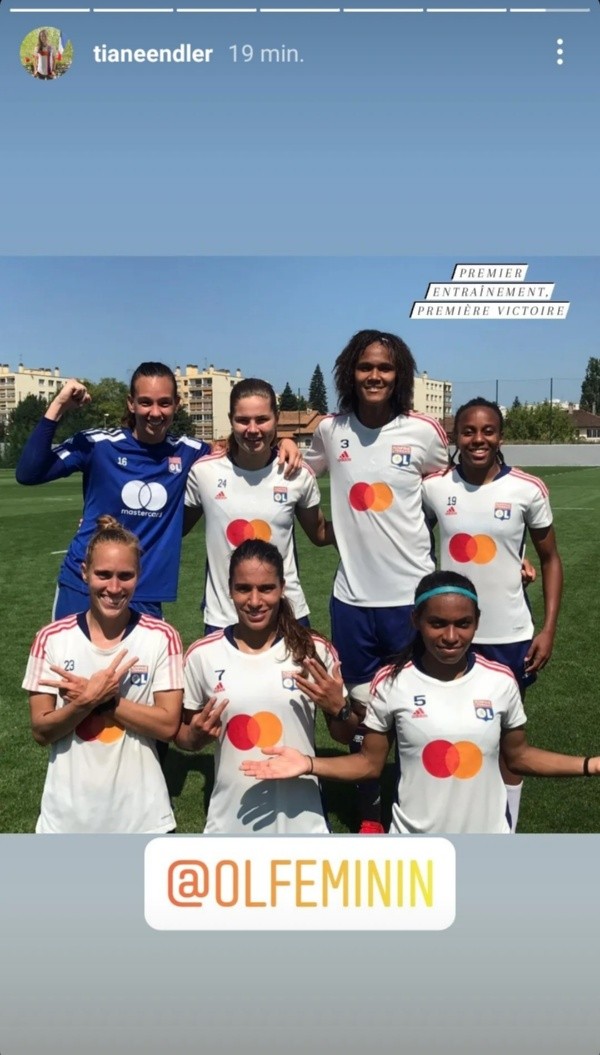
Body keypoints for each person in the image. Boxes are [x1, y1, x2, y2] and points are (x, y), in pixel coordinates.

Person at [241, 571, 599, 834]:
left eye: (463, 624)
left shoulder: (500, 680)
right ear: (416, 621)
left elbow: (519, 756)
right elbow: (369, 764)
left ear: (477, 623)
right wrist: (307, 763)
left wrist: (590, 765)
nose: (450, 636)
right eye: (437, 623)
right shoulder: (392, 682)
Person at [15, 363, 302, 620]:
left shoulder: (191, 452)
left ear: (177, 404)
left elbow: (242, 450)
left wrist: (284, 442)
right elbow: (29, 473)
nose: (155, 412)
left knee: (141, 680)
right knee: (72, 677)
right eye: (145, 402)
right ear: (131, 404)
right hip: (86, 584)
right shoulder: (98, 445)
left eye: (164, 403)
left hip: (146, 591)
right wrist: (58, 407)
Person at [304, 329, 448, 832]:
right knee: (359, 709)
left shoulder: (425, 432)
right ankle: (369, 806)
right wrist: (281, 441)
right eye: (366, 367)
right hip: (353, 600)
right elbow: (298, 475)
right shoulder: (329, 429)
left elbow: (458, 495)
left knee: (417, 705)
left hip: (412, 600)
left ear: (399, 375)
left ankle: (418, 798)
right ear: (350, 372)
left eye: (385, 368)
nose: (375, 376)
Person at [422, 396, 563, 831]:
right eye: (469, 431)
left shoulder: (527, 488)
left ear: (500, 436)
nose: (478, 439)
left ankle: (506, 827)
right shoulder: (434, 486)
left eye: (487, 431)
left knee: (505, 741)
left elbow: (551, 559)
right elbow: (411, 542)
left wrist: (548, 628)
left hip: (509, 635)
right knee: (445, 732)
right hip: (446, 632)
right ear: (455, 436)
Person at [175, 538, 353, 834]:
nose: (255, 601)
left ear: (282, 588)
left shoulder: (313, 651)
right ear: (229, 589)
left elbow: (345, 735)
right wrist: (194, 737)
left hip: (304, 824)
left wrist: (340, 710)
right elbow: (184, 738)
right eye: (243, 588)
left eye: (266, 588)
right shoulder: (202, 655)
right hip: (230, 822)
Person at [22, 516, 184, 833]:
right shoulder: (51, 639)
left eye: (125, 576)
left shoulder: (161, 637)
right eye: (103, 575)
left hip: (142, 819)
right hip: (67, 819)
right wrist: (84, 703)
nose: (113, 587)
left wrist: (106, 701)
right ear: (84, 573)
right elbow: (42, 732)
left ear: (139, 576)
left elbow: (167, 726)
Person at [183, 377, 333, 632]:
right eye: (243, 420)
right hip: (224, 618)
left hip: (288, 614)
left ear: (275, 418)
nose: (252, 429)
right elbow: (175, 528)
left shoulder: (297, 473)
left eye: (262, 419)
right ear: (231, 419)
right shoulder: (204, 472)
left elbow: (319, 534)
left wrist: (374, 522)